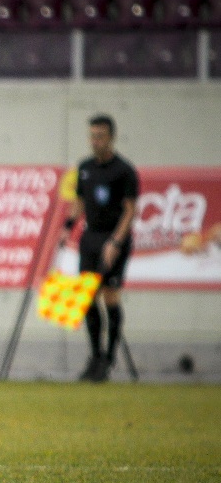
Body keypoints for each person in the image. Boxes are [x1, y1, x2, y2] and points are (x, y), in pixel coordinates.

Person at [59, 115, 139, 382]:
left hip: (114, 237)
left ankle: (110, 358)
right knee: (87, 298)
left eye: (101, 136)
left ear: (111, 137)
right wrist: (67, 226)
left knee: (110, 296)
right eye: (92, 136)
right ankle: (95, 357)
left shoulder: (124, 171)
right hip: (90, 237)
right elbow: (80, 202)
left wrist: (116, 241)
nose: (96, 141)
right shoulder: (85, 168)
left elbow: (130, 211)